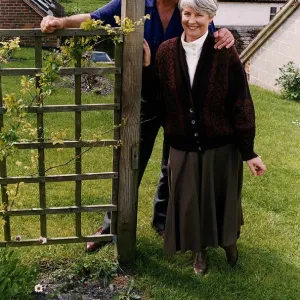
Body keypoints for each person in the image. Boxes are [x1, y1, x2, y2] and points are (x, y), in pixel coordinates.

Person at [40, 0, 235, 252]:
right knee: (130, 162)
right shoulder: (133, 4)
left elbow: (207, 31)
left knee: (173, 164)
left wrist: (223, 32)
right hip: (144, 98)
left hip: (181, 103)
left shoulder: (187, 8)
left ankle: (163, 221)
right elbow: (94, 17)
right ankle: (110, 225)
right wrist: (61, 22)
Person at [143, 0, 266, 275]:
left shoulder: (224, 51)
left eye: (199, 14)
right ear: (181, 15)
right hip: (182, 143)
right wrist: (148, 67)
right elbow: (158, 99)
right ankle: (199, 251)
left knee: (223, 198)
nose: (192, 20)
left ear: (211, 17)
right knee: (189, 201)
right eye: (187, 14)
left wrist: (248, 151)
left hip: (221, 144)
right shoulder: (165, 51)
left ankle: (229, 242)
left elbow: (241, 101)